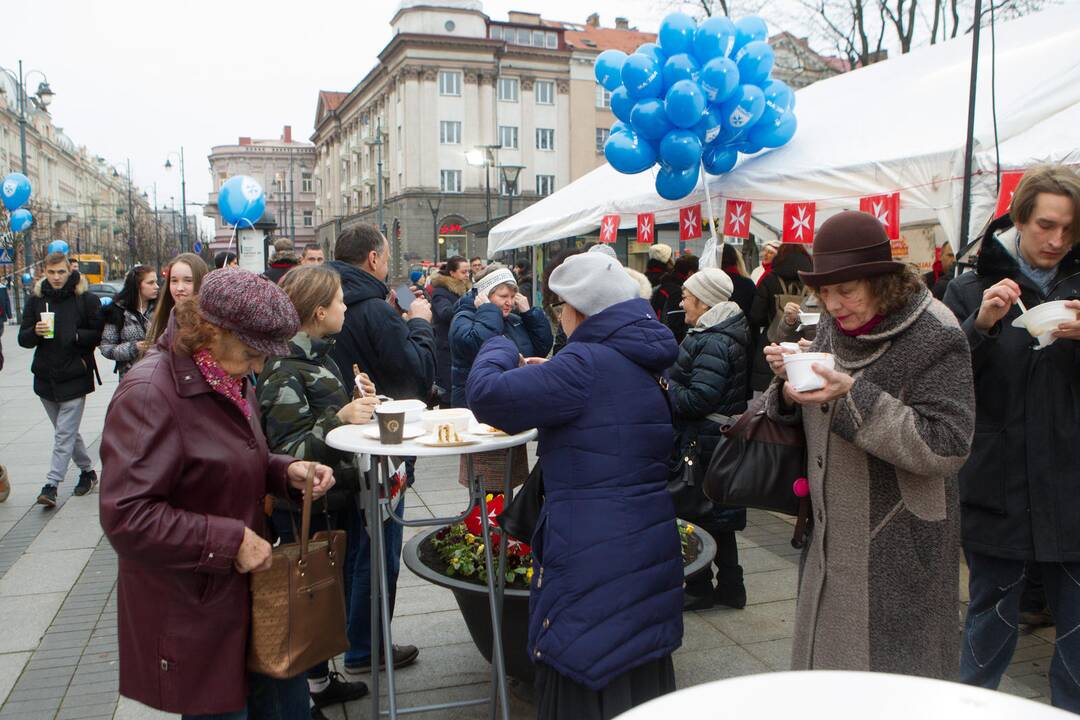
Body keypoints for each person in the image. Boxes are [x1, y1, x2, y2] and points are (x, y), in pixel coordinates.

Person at [99, 268, 336, 719]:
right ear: (213, 331)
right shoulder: (149, 392)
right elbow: (127, 517)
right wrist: (228, 541)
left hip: (244, 601)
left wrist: (285, 471)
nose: (260, 367)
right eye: (252, 354)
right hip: (196, 608)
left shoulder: (224, 371)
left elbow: (229, 458)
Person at [466, 251, 683, 719]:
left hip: (590, 545)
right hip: (644, 537)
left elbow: (487, 394)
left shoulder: (583, 362)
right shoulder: (641, 352)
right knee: (634, 656)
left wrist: (500, 345)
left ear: (579, 311)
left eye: (560, 306)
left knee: (585, 658)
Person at [761, 211, 974, 678]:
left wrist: (852, 395)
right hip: (830, 533)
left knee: (893, 683)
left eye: (847, 290)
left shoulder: (935, 331)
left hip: (898, 542)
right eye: (825, 292)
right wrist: (786, 388)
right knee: (831, 676)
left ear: (881, 281)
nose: (834, 305)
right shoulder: (835, 325)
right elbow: (816, 405)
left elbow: (949, 444)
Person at [942, 165, 1080, 711]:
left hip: (1073, 486)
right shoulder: (967, 286)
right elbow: (941, 382)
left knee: (1075, 637)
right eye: (1046, 225)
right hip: (997, 484)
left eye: (1070, 229)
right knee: (987, 627)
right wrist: (980, 325)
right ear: (1018, 219)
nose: (1058, 241)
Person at [257, 265, 378, 713]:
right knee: (308, 597)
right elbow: (289, 451)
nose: (347, 307)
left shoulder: (318, 355)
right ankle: (306, 690)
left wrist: (358, 399)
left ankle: (320, 680)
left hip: (337, 498)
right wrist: (341, 417)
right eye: (341, 300)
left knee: (327, 596)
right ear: (320, 310)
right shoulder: (285, 368)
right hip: (309, 507)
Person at [326, 223, 432, 671]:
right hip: (382, 448)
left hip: (340, 446)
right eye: (386, 256)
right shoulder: (374, 309)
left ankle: (352, 641)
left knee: (353, 545)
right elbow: (415, 375)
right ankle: (366, 648)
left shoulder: (326, 300)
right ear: (373, 259)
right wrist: (422, 326)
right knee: (379, 546)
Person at [669, 268, 750, 611]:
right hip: (717, 440)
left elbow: (698, 399)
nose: (681, 301)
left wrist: (665, 386)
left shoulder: (712, 339)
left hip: (704, 442)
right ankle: (731, 586)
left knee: (694, 514)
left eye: (686, 296)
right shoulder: (721, 332)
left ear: (704, 301)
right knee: (719, 516)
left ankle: (700, 587)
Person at [18, 252, 102, 507]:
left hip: (75, 374)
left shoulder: (85, 299)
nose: (56, 277)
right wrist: (34, 331)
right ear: (45, 272)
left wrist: (76, 336)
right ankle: (87, 472)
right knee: (66, 432)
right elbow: (23, 339)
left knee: (63, 434)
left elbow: (97, 334)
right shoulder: (36, 301)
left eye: (61, 272)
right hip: (45, 377)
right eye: (51, 272)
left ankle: (51, 485)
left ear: (70, 271)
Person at [449, 263, 553, 409]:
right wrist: (488, 311)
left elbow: (541, 348)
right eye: (503, 296)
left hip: (512, 399)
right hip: (476, 404)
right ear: (484, 295)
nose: (509, 302)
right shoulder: (463, 318)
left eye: (512, 296)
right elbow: (477, 346)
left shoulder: (514, 319)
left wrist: (530, 315)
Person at [749, 243, 812, 391]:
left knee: (771, 398)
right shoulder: (812, 282)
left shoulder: (769, 280)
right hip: (805, 346)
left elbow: (756, 316)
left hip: (773, 345)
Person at [100, 265, 158, 378]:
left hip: (159, 375)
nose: (156, 286)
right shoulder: (117, 311)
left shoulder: (162, 308)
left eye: (156, 282)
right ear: (137, 286)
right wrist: (134, 347)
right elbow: (106, 348)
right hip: (131, 378)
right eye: (150, 283)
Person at [429, 256, 471, 406]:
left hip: (463, 346)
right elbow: (445, 313)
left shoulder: (468, 289)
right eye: (463, 272)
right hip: (446, 349)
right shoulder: (441, 291)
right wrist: (467, 303)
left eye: (468, 272)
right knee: (448, 394)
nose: (467, 275)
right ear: (452, 273)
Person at [146, 253, 209, 346]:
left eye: (188, 280)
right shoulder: (159, 320)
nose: (179, 288)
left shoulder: (213, 324)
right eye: (174, 281)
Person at [651, 254, 698, 345]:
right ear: (691, 273)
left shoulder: (662, 287)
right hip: (672, 345)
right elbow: (677, 326)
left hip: (658, 339)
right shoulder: (679, 293)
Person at [721, 243, 756, 316]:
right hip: (745, 326)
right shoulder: (747, 283)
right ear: (735, 258)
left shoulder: (711, 283)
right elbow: (755, 314)